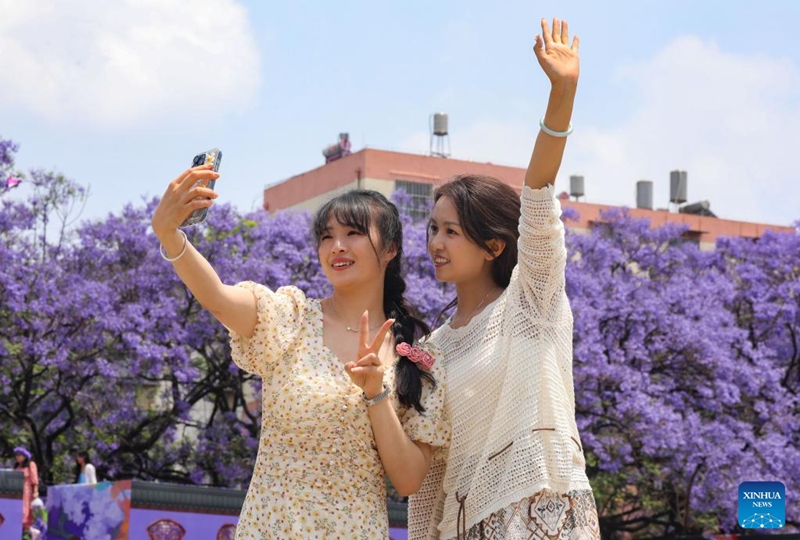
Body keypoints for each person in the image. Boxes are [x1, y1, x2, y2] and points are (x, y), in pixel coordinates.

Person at [152, 178, 449, 538]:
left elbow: (408, 480)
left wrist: (376, 394)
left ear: (390, 249)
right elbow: (217, 297)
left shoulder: (415, 359)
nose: (336, 246)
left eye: (353, 233)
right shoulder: (289, 318)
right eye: (326, 236)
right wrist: (169, 234)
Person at [409, 17, 601, 540]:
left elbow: (537, 190)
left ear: (494, 245)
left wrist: (562, 94)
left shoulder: (531, 301)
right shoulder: (431, 349)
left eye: (451, 231)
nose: (435, 243)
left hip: (546, 515)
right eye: (432, 228)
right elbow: (428, 478)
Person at [13, 446, 39, 535]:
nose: (17, 457)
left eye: (19, 455)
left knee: (25, 513)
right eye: (16, 455)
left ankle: (31, 532)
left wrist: (35, 491)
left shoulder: (31, 464)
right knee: (16, 514)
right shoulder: (16, 466)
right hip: (16, 492)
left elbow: (34, 479)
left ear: (24, 456)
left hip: (26, 492)